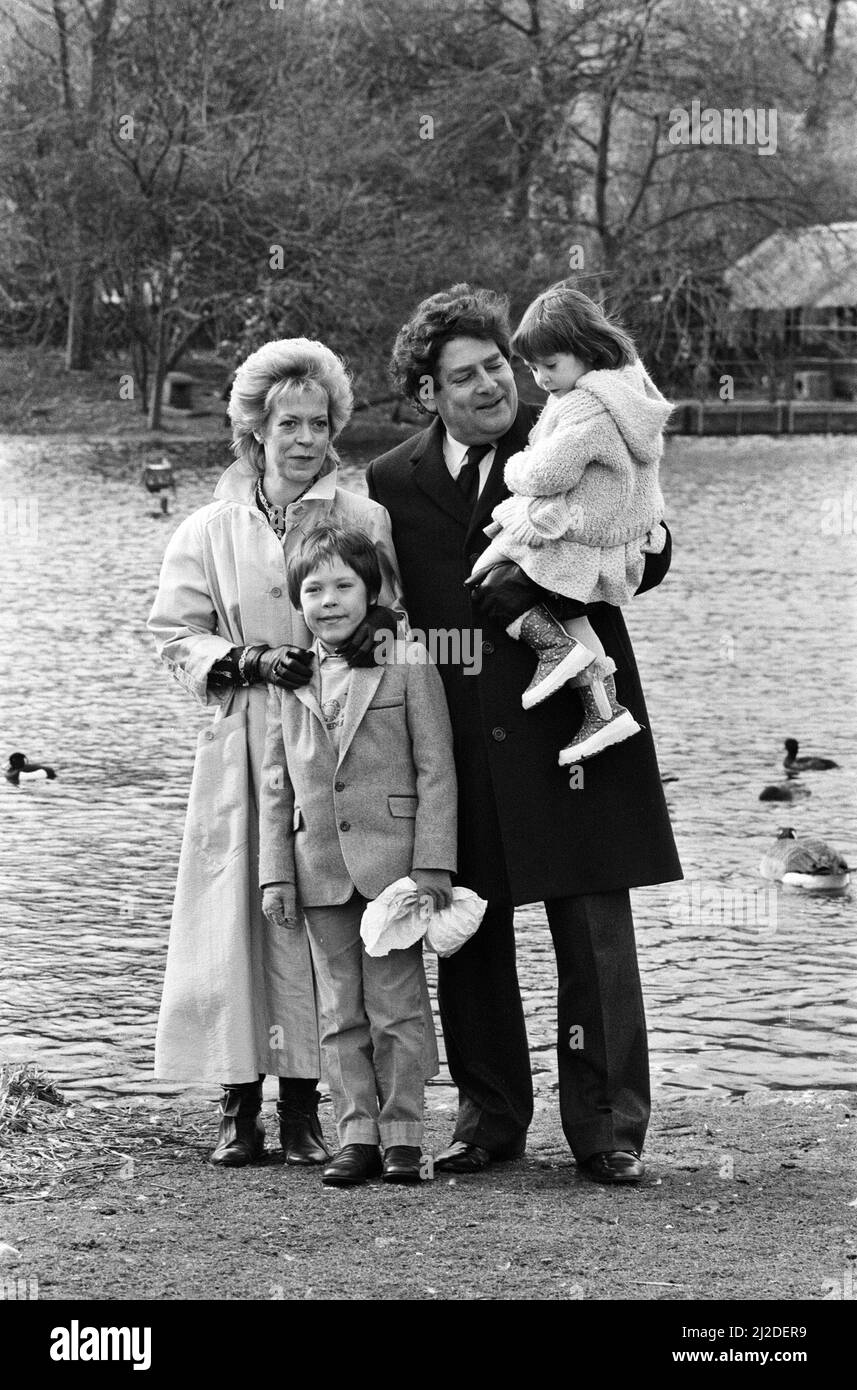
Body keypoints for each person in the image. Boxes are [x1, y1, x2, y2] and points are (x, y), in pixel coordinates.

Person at [366, 285, 682, 1184]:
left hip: (578, 715)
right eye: (462, 376)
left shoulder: (574, 430)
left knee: (593, 930)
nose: (489, 385)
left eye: (497, 365)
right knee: (469, 931)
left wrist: (638, 544)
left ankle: (609, 1128)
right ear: (427, 393)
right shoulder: (390, 480)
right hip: (463, 737)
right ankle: (489, 1119)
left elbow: (650, 552)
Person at [147, 337, 402, 1168]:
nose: (303, 438)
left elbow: (391, 619)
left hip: (328, 742)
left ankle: (304, 1105)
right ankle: (235, 1104)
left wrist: (339, 656)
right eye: (286, 422)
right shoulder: (208, 527)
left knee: (312, 912)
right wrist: (245, 660)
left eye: (319, 423)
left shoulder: (361, 519)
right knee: (232, 917)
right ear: (254, 427)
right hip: (238, 738)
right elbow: (171, 635)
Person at [259, 524, 457, 1187]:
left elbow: (436, 772)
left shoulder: (407, 661)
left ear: (368, 590)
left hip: (392, 867)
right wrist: (275, 874)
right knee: (338, 1011)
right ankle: (356, 1135)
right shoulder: (291, 677)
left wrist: (431, 866)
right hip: (317, 867)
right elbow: (275, 784)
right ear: (299, 600)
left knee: (397, 1007)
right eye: (313, 589)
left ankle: (403, 1135)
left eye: (344, 585)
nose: (328, 600)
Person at [468, 282, 672, 766]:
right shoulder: (625, 390)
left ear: (584, 351)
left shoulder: (587, 404)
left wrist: (513, 469)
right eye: (532, 368)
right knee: (568, 608)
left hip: (583, 533)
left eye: (549, 365)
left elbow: (546, 471)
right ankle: (603, 708)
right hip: (599, 529)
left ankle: (555, 653)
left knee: (490, 585)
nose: (539, 378)